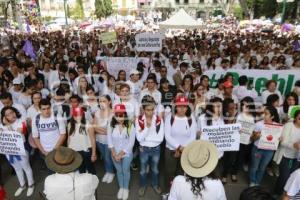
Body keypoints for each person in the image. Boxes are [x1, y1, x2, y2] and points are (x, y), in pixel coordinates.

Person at [164, 96, 197, 192]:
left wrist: (182, 148)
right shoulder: (170, 117)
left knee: (182, 172)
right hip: (171, 150)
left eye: (184, 106)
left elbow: (193, 136)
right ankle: (168, 191)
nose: (182, 109)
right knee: (169, 172)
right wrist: (178, 147)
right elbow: (167, 135)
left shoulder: (191, 118)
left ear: (187, 107)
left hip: (185, 150)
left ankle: (180, 192)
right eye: (179, 106)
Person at [1, 106, 34, 197]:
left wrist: (7, 126)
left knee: (26, 168)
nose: (11, 115)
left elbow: (16, 136)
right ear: (4, 117)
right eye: (8, 115)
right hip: (9, 152)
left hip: (21, 149)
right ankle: (22, 185)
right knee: (17, 169)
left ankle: (31, 185)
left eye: (12, 112)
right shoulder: (1, 125)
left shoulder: (21, 122)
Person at [136, 95, 164, 197]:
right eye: (147, 110)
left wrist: (145, 138)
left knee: (155, 169)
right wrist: (147, 128)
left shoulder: (158, 120)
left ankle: (155, 184)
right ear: (143, 109)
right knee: (143, 170)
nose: (150, 112)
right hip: (144, 150)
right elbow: (139, 139)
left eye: (152, 109)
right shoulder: (139, 120)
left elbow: (160, 138)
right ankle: (143, 185)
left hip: (156, 149)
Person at [107, 104, 136, 200]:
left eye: (122, 115)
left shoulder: (130, 125)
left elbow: (131, 143)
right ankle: (121, 188)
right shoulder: (111, 125)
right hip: (114, 153)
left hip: (126, 153)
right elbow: (109, 140)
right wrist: (114, 153)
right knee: (119, 171)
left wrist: (120, 154)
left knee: (125, 170)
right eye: (117, 116)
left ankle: (126, 188)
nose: (120, 118)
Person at [249, 105, 281, 186]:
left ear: (272, 116)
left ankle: (257, 182)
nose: (264, 115)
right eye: (264, 113)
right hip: (258, 149)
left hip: (269, 150)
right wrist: (256, 136)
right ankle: (252, 181)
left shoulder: (277, 126)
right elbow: (251, 139)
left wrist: (280, 139)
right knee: (254, 167)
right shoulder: (258, 124)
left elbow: (278, 140)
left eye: (266, 114)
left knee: (262, 168)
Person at [274, 110, 300, 195]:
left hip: (297, 158)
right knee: (284, 177)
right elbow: (282, 142)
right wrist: (294, 146)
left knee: (292, 178)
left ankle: (286, 194)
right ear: (296, 117)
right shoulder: (289, 125)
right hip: (285, 155)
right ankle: (277, 192)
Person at [67, 106, 97, 174]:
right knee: (81, 168)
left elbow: (93, 140)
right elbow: (69, 139)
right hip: (75, 150)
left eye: (80, 115)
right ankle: (83, 182)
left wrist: (94, 154)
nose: (78, 117)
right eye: (75, 115)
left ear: (82, 115)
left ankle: (93, 181)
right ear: (73, 116)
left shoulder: (88, 124)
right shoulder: (70, 124)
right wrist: (69, 150)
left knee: (90, 168)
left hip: (86, 150)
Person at [93, 95, 115, 183]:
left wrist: (99, 129)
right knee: (105, 157)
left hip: (109, 141)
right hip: (99, 140)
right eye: (100, 101)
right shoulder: (97, 112)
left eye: (104, 101)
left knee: (107, 157)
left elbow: (112, 130)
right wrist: (105, 131)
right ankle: (108, 171)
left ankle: (111, 172)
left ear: (109, 102)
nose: (102, 103)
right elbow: (94, 127)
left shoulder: (113, 113)